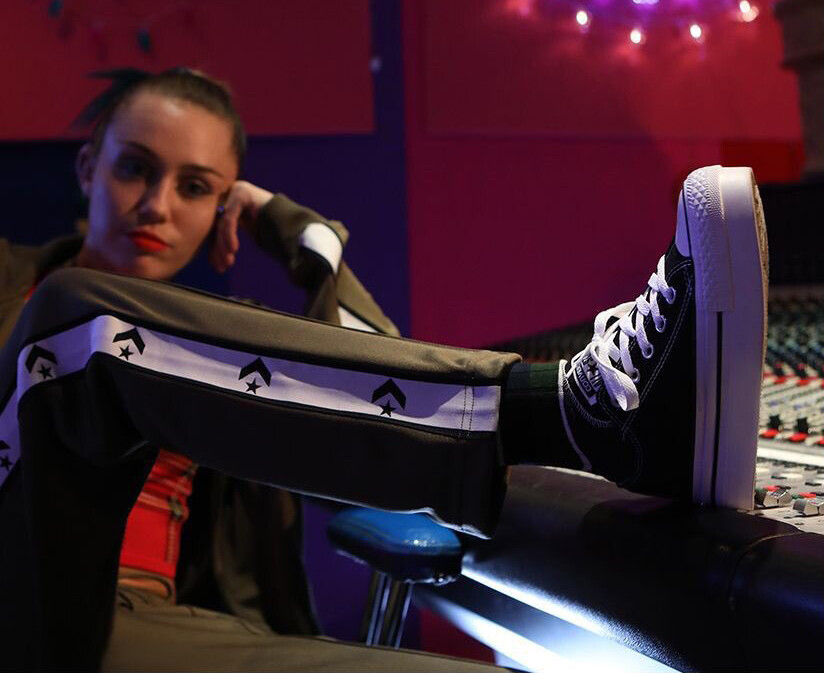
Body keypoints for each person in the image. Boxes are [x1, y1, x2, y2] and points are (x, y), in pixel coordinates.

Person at [0, 68, 768, 671]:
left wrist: (292, 229)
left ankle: (612, 428)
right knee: (77, 319)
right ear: (88, 168)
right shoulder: (18, 287)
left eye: (196, 187)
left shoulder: (206, 354)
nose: (157, 205)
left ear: (222, 205)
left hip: (122, 627)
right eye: (134, 169)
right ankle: (571, 414)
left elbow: (374, 384)